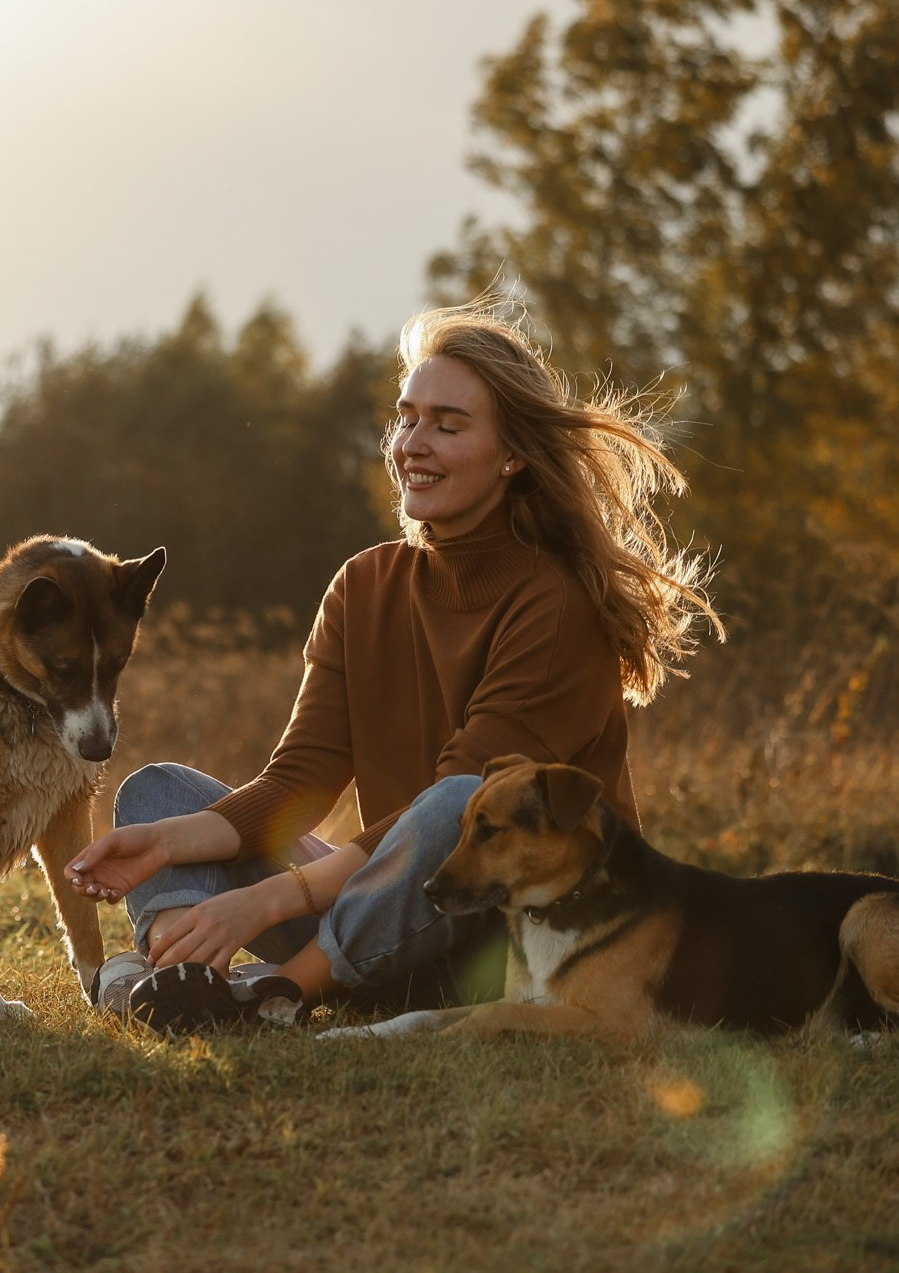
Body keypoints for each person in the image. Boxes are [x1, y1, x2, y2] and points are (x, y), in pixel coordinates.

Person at [65, 298, 719, 1032]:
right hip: (381, 912)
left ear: (512, 456)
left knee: (458, 801)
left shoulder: (557, 605)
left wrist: (270, 899)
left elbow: (456, 814)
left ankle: (271, 993)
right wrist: (168, 842)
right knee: (159, 793)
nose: (413, 442)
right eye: (407, 417)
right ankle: (177, 979)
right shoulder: (364, 585)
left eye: (448, 424)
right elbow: (297, 782)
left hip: (501, 931)